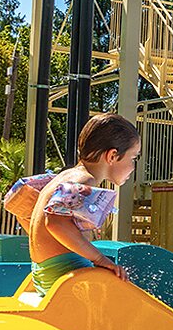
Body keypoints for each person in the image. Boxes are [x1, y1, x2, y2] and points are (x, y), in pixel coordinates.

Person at [18, 114, 140, 295]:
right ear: (113, 156)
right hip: (66, 273)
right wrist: (99, 259)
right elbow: (55, 222)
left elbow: (21, 209)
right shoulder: (84, 180)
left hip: (46, 272)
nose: (133, 167)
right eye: (133, 158)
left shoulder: (63, 177)